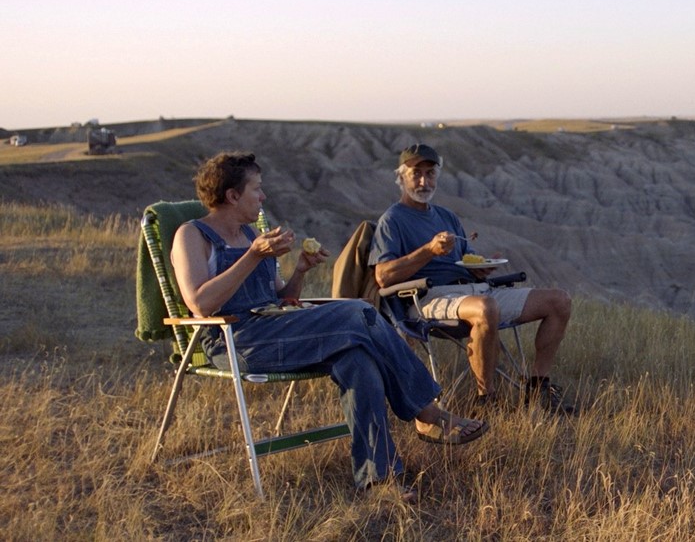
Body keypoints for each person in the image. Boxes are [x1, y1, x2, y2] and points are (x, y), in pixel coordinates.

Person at [171, 151, 487, 502]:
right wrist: (253, 257)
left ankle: (377, 481)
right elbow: (199, 303)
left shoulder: (249, 236)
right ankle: (425, 411)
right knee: (358, 311)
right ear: (232, 195)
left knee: (358, 359)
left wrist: (300, 270)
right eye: (257, 189)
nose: (263, 197)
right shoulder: (192, 236)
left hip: (277, 330)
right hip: (236, 341)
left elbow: (281, 299)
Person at [369, 144, 575, 414]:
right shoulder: (392, 220)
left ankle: (537, 389)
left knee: (559, 301)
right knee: (485, 307)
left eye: (430, 173)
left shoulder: (447, 217)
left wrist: (481, 267)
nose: (423, 181)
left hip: (474, 290)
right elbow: (383, 277)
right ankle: (485, 401)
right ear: (401, 177)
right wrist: (428, 251)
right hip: (427, 298)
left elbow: (467, 259)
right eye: (416, 173)